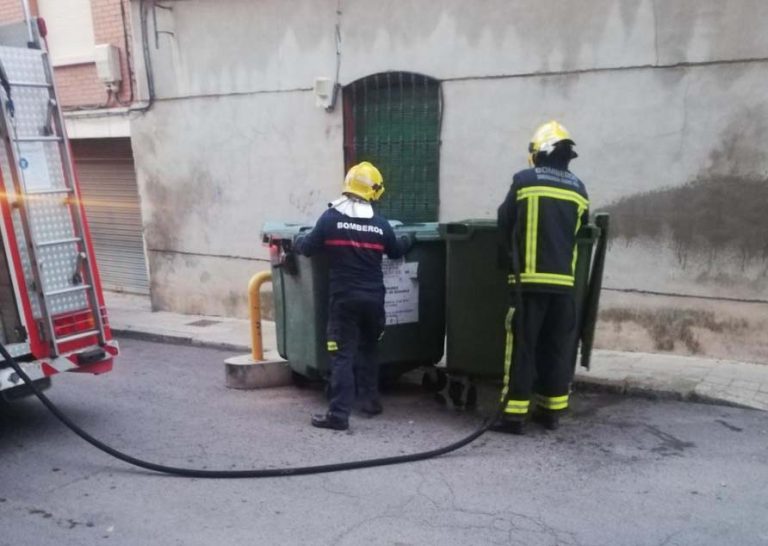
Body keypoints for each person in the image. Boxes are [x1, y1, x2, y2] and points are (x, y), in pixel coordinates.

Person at [293, 161, 412, 431]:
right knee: (369, 348)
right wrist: (410, 239)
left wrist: (295, 243)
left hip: (344, 299)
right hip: (374, 300)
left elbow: (308, 247)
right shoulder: (381, 225)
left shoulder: (330, 220)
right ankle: (370, 401)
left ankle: (338, 415)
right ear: (374, 192)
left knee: (343, 354)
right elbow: (396, 250)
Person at [494, 121, 590, 434]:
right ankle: (551, 413)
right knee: (556, 347)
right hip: (564, 285)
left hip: (528, 283)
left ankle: (513, 416)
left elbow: (504, 222)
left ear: (539, 153)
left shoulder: (524, 181)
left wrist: (505, 264)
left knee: (522, 347)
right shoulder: (579, 189)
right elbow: (581, 233)